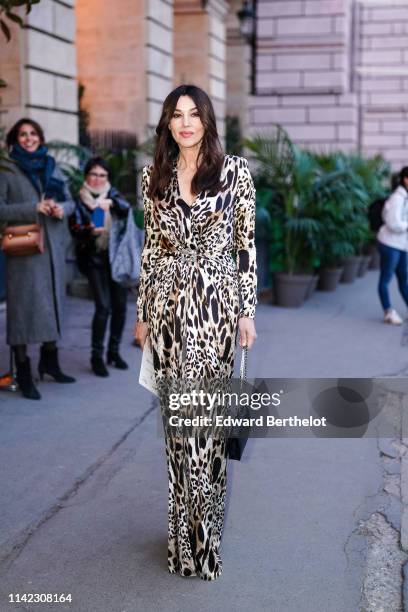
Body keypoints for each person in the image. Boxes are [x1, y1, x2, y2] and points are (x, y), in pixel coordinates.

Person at [134, 84, 258, 580]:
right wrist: (143, 312)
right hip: (166, 312)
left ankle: (204, 545)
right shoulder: (153, 177)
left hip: (214, 311)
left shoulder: (235, 174)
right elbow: (150, 249)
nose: (185, 123)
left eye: (194, 114)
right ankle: (180, 538)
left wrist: (247, 310)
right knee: (176, 431)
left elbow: (245, 247)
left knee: (204, 428)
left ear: (207, 119)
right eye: (176, 115)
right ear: (167, 123)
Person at [0, 118, 76, 400]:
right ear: (15, 139)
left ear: (40, 138)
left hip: (53, 246)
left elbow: (69, 201)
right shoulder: (7, 170)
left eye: (33, 133)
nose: (28, 138)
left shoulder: (51, 165)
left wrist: (60, 209)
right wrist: (34, 207)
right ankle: (22, 370)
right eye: (22, 134)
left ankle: (50, 361)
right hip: (25, 250)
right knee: (23, 310)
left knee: (52, 304)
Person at [69, 157, 131, 377]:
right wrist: (88, 229)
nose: (97, 179)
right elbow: (75, 228)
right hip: (94, 260)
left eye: (102, 175)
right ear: (87, 176)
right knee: (103, 307)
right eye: (93, 174)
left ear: (107, 178)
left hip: (116, 258)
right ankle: (97, 356)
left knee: (120, 307)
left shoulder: (113, 195)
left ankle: (113, 352)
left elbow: (126, 209)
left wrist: (111, 204)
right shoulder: (79, 199)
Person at [377, 166, 408, 325]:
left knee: (404, 279)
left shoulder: (405, 197)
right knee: (386, 279)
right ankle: (388, 312)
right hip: (390, 244)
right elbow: (392, 223)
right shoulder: (398, 198)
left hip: (401, 245)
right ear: (406, 180)